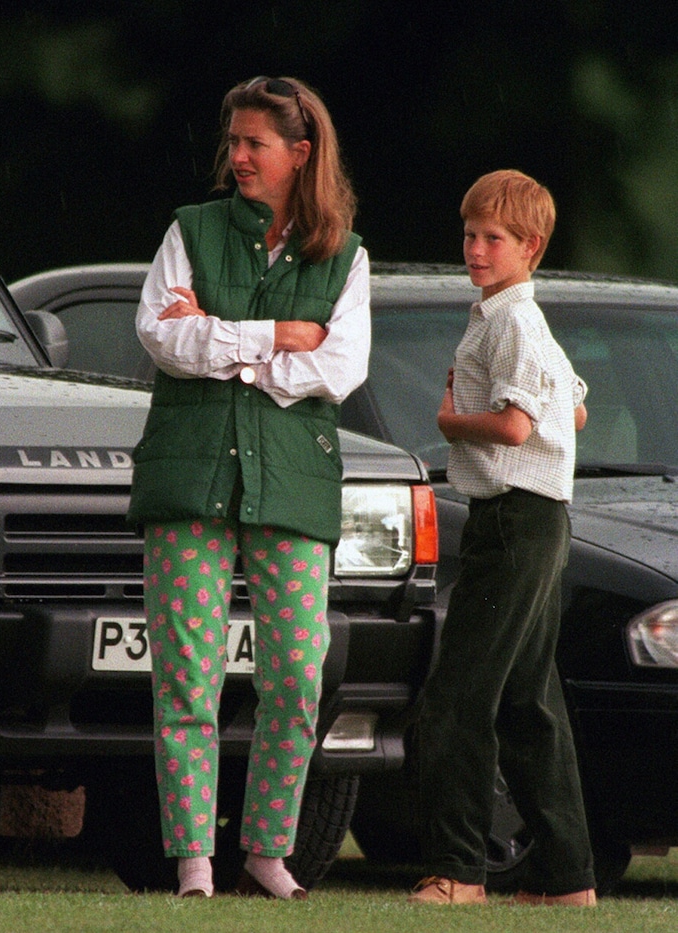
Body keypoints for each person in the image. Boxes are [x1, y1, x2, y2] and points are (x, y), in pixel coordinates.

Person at [127, 76, 370, 900]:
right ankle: (193, 861)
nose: (236, 156)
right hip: (188, 476)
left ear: (300, 153)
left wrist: (220, 342)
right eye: (232, 141)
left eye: (254, 143)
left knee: (297, 676)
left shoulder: (346, 255)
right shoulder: (190, 230)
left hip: (292, 483)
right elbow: (160, 336)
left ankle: (268, 851)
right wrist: (275, 337)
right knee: (185, 678)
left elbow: (338, 367)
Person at [408, 169, 597, 907]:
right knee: (527, 699)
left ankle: (458, 872)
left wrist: (451, 422)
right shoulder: (519, 318)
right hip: (540, 519)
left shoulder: (510, 322)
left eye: (494, 238)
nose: (476, 249)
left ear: (531, 247)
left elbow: (517, 426)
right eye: (470, 234)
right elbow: (574, 412)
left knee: (457, 697)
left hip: (514, 522)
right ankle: (567, 881)